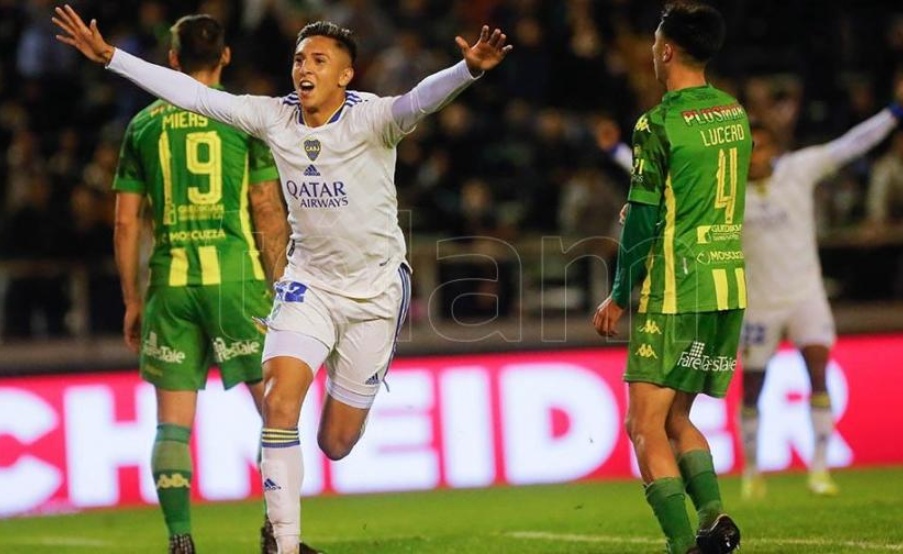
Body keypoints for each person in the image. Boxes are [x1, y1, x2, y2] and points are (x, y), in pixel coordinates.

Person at [53, 6, 512, 554]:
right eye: (299, 59)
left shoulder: (374, 119)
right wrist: (111, 58)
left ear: (346, 75)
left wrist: (469, 70)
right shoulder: (274, 117)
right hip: (307, 286)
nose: (304, 68)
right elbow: (195, 95)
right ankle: (285, 545)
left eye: (319, 59)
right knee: (277, 402)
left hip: (374, 294)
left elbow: (419, 98)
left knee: (336, 442)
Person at [109, 14, 287, 554]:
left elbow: (124, 223)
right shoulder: (243, 120)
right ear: (225, 57)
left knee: (172, 425)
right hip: (236, 280)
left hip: (171, 284)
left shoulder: (142, 127)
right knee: (275, 411)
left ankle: (181, 540)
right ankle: (277, 530)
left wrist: (133, 299)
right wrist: (281, 284)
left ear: (172, 58)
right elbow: (265, 208)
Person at [592, 3, 751, 553]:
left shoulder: (658, 122)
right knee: (676, 416)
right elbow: (695, 194)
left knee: (643, 425)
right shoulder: (733, 113)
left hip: (677, 286)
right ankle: (713, 518)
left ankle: (684, 546)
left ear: (666, 50)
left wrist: (618, 294)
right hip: (726, 283)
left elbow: (640, 217)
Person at [738, 82, 903, 500]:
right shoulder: (727, 193)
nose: (755, 155)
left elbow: (852, 144)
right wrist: (618, 155)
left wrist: (895, 112)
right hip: (758, 303)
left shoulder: (800, 169)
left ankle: (820, 468)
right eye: (748, 148)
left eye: (760, 146)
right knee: (753, 386)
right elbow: (673, 186)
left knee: (817, 371)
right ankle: (753, 470)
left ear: (773, 148)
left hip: (805, 296)